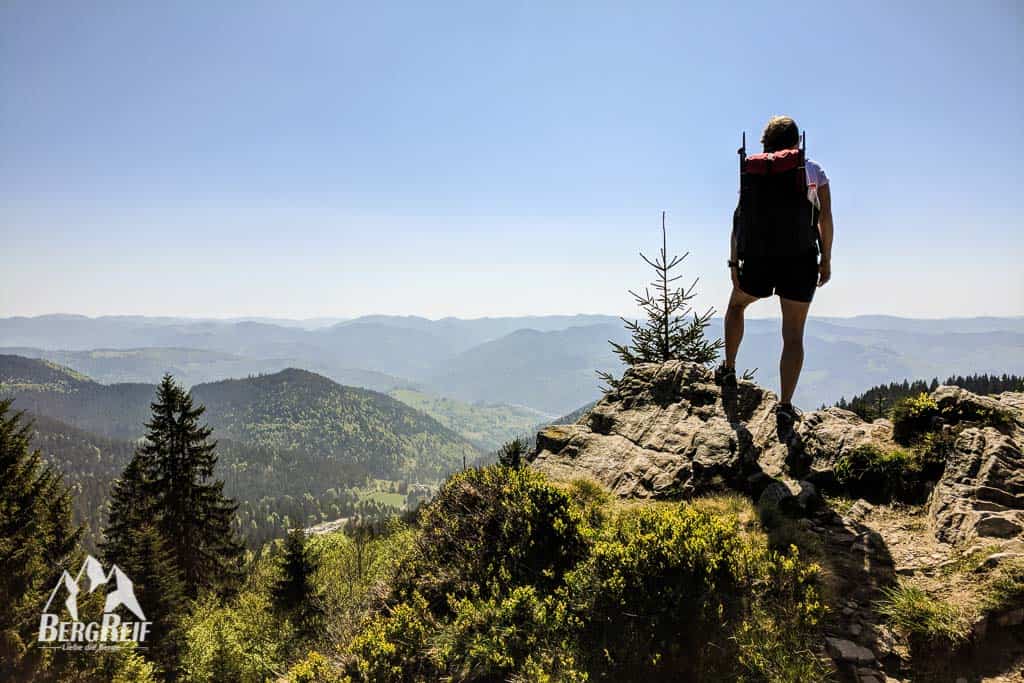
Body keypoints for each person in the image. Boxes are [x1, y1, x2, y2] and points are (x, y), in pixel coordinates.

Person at [715, 115, 833, 425]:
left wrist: (733, 262)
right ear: (797, 142)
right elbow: (826, 220)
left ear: (765, 143)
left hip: (759, 259)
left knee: (736, 306)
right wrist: (826, 260)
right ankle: (784, 406)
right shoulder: (813, 171)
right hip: (801, 259)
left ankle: (728, 370)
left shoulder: (754, 170)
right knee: (793, 335)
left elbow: (739, 218)